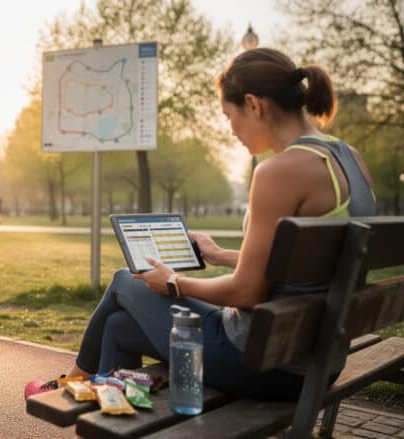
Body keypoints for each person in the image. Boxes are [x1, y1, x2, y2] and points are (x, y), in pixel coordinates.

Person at [25, 48, 376, 401]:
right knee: (119, 327)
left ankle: (69, 384)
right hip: (319, 359)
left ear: (253, 105)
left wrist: (176, 283)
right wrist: (221, 254)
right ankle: (108, 404)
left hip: (264, 361)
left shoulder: (278, 172)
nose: (231, 130)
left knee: (123, 281)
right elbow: (302, 266)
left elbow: (247, 293)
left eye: (228, 116)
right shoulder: (350, 158)